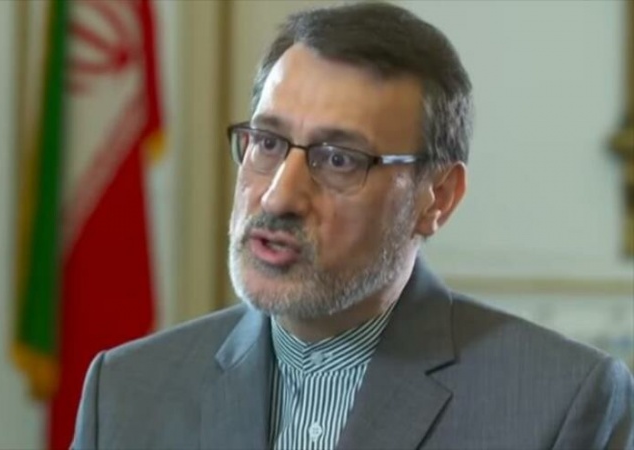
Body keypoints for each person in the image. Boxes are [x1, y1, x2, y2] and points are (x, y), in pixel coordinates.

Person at [71, 3, 634, 449]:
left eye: (339, 159)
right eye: (267, 143)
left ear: (437, 198)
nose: (278, 195)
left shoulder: (559, 405)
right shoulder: (126, 391)